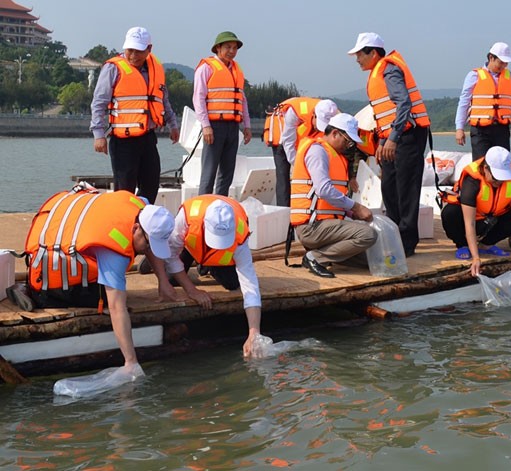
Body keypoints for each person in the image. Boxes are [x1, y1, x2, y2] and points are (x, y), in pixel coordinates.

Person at [18, 186, 175, 374]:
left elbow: (148, 241)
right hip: (48, 283)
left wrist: (163, 281)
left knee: (117, 290)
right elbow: (117, 309)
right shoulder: (113, 250)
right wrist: (131, 361)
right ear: (135, 228)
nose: (148, 249)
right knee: (112, 299)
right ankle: (31, 293)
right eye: (148, 243)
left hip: (60, 234)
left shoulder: (140, 205)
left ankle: (27, 287)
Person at [348, 32, 429, 257]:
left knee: (406, 188)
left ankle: (407, 242)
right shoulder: (377, 71)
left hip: (408, 135)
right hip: (393, 136)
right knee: (389, 185)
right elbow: (386, 114)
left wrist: (392, 138)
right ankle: (395, 234)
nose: (357, 60)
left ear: (373, 53)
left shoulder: (389, 69)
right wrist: (383, 141)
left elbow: (403, 103)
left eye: (360, 55)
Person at [156, 195, 264, 356]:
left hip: (213, 257)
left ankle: (206, 265)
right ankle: (153, 253)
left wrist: (254, 332)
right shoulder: (187, 217)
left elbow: (250, 284)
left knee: (232, 283)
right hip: (189, 245)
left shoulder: (240, 233)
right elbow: (172, 254)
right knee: (172, 277)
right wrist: (192, 291)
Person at [89, 26, 180, 204]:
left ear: (149, 49)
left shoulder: (156, 69)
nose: (133, 55)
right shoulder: (112, 69)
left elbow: (163, 99)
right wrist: (98, 135)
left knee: (151, 185)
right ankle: (125, 228)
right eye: (130, 50)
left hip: (148, 138)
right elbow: (98, 103)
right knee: (125, 191)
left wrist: (172, 124)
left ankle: (142, 226)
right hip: (123, 142)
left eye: (139, 51)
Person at [290, 113, 377, 278]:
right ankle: (315, 257)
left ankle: (323, 253)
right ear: (335, 133)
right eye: (347, 141)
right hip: (312, 227)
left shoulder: (334, 155)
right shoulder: (317, 151)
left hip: (327, 225)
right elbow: (323, 190)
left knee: (369, 260)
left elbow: (330, 199)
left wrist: (352, 213)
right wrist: (356, 207)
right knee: (367, 235)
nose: (348, 146)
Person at [441, 146, 511, 277]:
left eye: (503, 178)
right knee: (450, 213)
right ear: (486, 168)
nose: (499, 182)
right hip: (471, 221)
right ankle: (462, 245)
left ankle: (486, 244)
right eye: (496, 178)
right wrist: (476, 258)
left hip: (491, 220)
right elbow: (469, 222)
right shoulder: (472, 181)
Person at [193, 31, 251, 197]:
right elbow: (198, 98)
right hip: (214, 126)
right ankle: (203, 207)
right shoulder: (206, 68)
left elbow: (242, 99)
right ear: (218, 48)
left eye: (234, 48)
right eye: (228, 47)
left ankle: (220, 207)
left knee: (227, 174)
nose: (232, 51)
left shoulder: (237, 70)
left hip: (233, 126)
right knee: (209, 172)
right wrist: (206, 126)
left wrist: (246, 125)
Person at [455, 42, 511, 160]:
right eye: (501, 62)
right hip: (480, 131)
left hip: (501, 130)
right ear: (491, 58)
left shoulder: (510, 77)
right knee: (481, 165)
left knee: (502, 163)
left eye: (506, 63)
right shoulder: (474, 76)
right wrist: (459, 128)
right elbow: (463, 103)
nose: (503, 66)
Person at [264, 98, 339, 207]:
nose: (318, 128)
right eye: (318, 124)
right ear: (314, 115)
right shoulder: (294, 113)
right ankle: (284, 211)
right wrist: (299, 165)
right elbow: (288, 142)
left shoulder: (330, 110)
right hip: (282, 138)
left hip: (302, 142)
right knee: (283, 177)